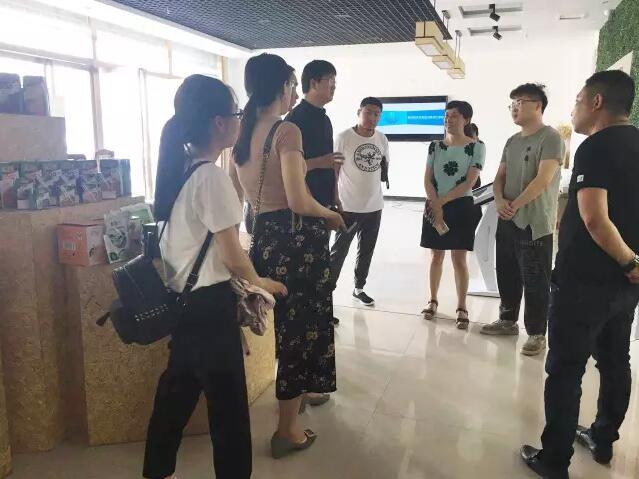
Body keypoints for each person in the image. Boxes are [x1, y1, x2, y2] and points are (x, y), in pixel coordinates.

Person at [143, 75, 287, 479]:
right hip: (209, 308)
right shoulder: (210, 177)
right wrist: (261, 282)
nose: (241, 120)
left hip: (184, 304)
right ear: (219, 122)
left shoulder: (180, 168)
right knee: (229, 413)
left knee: (175, 397)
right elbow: (232, 255)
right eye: (236, 113)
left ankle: (156, 471)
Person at [521, 71, 639, 479]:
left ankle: (554, 461)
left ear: (597, 102)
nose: (573, 108)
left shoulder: (596, 146)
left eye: (577, 99)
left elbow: (594, 218)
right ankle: (603, 438)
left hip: (586, 282)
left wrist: (629, 261)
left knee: (566, 368)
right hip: (625, 287)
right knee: (615, 360)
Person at [232, 53, 345, 459]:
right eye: (293, 85)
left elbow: (237, 195)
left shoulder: (242, 131)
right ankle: (287, 430)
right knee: (302, 332)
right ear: (281, 86)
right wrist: (329, 214)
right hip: (298, 242)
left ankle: (302, 395)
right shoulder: (287, 130)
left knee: (288, 329)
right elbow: (299, 199)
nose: (295, 92)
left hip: (264, 237)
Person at [480, 84, 564, 357]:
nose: (514, 108)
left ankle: (537, 333)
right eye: (512, 103)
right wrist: (499, 201)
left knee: (535, 279)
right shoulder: (512, 141)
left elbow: (543, 180)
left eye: (520, 102)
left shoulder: (550, 137)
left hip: (534, 223)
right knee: (507, 272)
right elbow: (500, 177)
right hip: (507, 218)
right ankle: (507, 320)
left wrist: (514, 205)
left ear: (538, 106)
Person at [285, 59, 344, 326]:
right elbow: (289, 169)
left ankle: (320, 312)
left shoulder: (324, 119)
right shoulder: (294, 121)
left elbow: (330, 163)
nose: (334, 87)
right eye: (330, 81)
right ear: (314, 83)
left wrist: (335, 196)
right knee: (305, 263)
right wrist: (321, 162)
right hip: (303, 203)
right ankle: (306, 316)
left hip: (323, 201)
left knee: (321, 260)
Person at [421, 100, 486, 329]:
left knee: (459, 259)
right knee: (436, 256)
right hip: (435, 204)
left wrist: (441, 202)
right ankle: (432, 300)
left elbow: (469, 181)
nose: (449, 119)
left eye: (455, 115)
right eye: (447, 115)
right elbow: (428, 178)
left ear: (466, 119)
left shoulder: (476, 147)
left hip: (461, 207)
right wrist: (435, 204)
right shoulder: (435, 146)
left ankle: (461, 306)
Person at [329, 97, 389, 306]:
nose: (372, 117)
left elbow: (383, 167)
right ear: (359, 112)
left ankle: (359, 288)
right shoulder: (344, 137)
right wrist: (335, 199)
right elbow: (334, 171)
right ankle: (327, 292)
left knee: (366, 251)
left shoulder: (382, 138)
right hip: (348, 207)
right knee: (339, 251)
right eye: (368, 112)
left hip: (374, 206)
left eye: (376, 114)